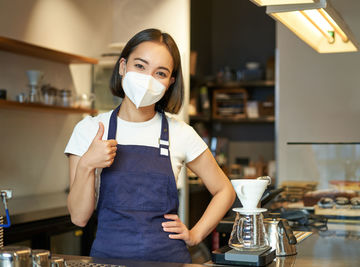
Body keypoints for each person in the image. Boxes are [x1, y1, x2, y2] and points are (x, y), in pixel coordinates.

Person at [65, 28, 236, 263]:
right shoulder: (88, 130)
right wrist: (87, 164)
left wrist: (195, 235)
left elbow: (224, 190)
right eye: (140, 66)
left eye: (161, 73)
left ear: (170, 82)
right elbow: (79, 217)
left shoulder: (180, 133)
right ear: (123, 67)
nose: (148, 79)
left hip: (169, 260)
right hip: (108, 260)